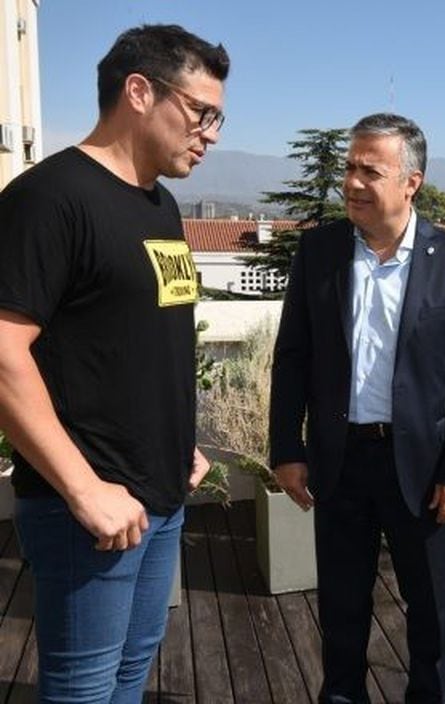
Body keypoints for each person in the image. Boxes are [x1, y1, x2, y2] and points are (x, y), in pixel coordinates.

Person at [0, 24, 228, 703]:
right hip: (89, 510)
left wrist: (179, 444)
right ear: (139, 91)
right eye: (201, 112)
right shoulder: (49, 198)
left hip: (160, 492)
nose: (211, 133)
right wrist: (84, 490)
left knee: (131, 672)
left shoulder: (161, 204)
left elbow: (137, 339)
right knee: (84, 688)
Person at [270, 112, 445, 704]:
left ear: (410, 182)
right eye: (349, 167)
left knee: (429, 613)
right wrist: (286, 449)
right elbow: (291, 355)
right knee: (341, 606)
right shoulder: (319, 252)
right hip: (338, 462)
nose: (351, 182)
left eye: (370, 170)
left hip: (421, 470)